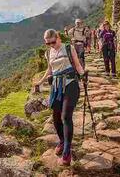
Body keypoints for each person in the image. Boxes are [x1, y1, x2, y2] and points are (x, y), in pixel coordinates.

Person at [33, 29, 85, 166]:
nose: (51, 45)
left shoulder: (68, 48)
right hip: (56, 86)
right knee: (56, 118)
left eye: (53, 42)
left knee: (65, 116)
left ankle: (67, 152)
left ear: (58, 38)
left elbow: (78, 65)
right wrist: (40, 82)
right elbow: (49, 70)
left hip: (70, 84)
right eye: (47, 43)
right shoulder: (48, 52)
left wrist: (83, 75)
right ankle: (62, 141)